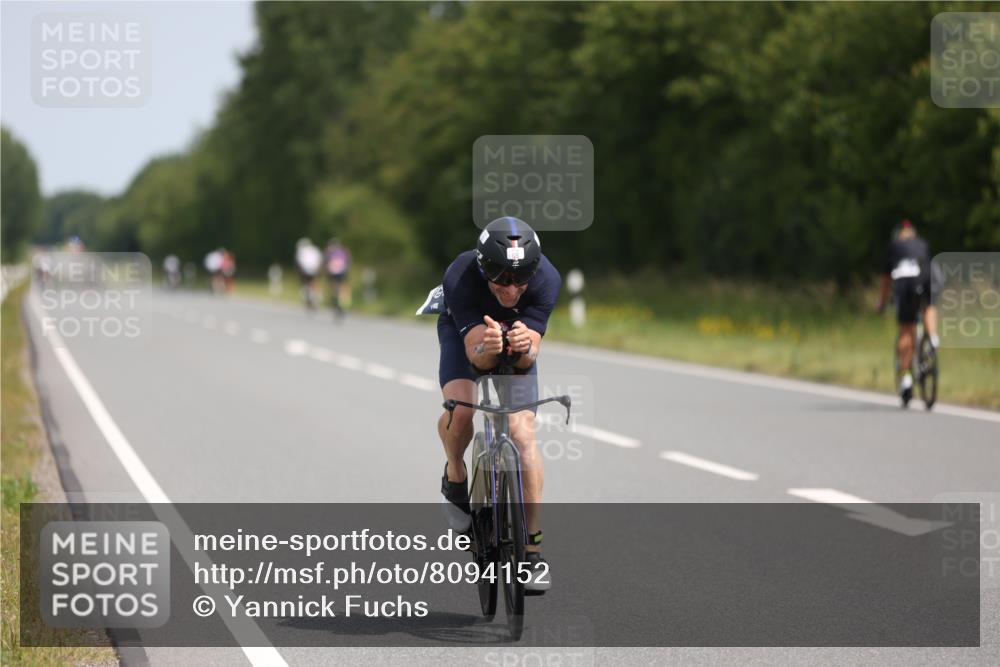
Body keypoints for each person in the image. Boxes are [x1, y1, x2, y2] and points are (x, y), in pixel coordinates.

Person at [437, 216, 560, 593]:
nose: (510, 289)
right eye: (501, 279)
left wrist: (523, 346)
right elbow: (478, 359)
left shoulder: (546, 280)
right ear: (483, 267)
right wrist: (489, 346)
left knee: (524, 434)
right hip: (470, 338)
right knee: (462, 410)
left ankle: (533, 551)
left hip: (518, 335)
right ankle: (455, 475)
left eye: (519, 279)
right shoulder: (461, 276)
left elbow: (528, 359)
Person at [876, 219, 939, 404]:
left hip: (906, 285)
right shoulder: (922, 244)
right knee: (929, 305)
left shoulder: (894, 246)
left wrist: (881, 302)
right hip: (928, 281)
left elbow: (886, 281)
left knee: (906, 330)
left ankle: (906, 379)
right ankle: (933, 338)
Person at [324, 238, 352, 319]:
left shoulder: (329, 251)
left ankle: (337, 303)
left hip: (333, 273)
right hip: (342, 273)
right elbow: (348, 262)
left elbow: (326, 263)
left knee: (334, 289)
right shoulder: (344, 251)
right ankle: (342, 304)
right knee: (342, 289)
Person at [295, 238, 323, 310]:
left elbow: (299, 262)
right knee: (313, 283)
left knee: (306, 283)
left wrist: (300, 271)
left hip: (306, 270)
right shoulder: (315, 249)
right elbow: (320, 260)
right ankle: (315, 297)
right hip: (315, 269)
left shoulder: (301, 251)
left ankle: (309, 299)